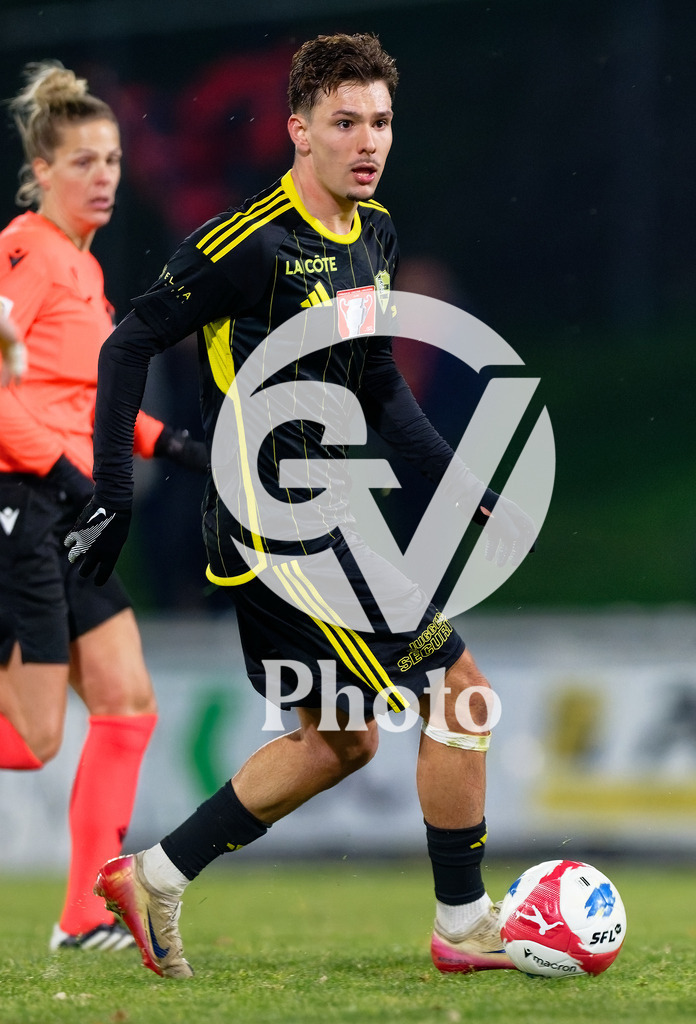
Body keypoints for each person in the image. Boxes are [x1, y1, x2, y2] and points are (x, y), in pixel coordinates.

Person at [66, 33, 535, 979]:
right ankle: (465, 923)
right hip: (278, 523)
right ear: (298, 130)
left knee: (340, 739)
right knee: (463, 693)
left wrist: (454, 478)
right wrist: (114, 493)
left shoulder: (375, 235)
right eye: (346, 123)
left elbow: (377, 383)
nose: (369, 142)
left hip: (330, 516)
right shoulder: (250, 243)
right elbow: (126, 347)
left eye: (383, 123)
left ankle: (154, 875)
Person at [0, 61, 206, 952]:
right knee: (38, 737)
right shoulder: (24, 251)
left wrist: (174, 445)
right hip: (26, 502)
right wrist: (66, 473)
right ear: (42, 170)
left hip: (66, 508)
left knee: (128, 703)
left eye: (114, 159)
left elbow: (82, 399)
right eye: (84, 161)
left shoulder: (83, 273)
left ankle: (85, 914)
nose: (105, 175)